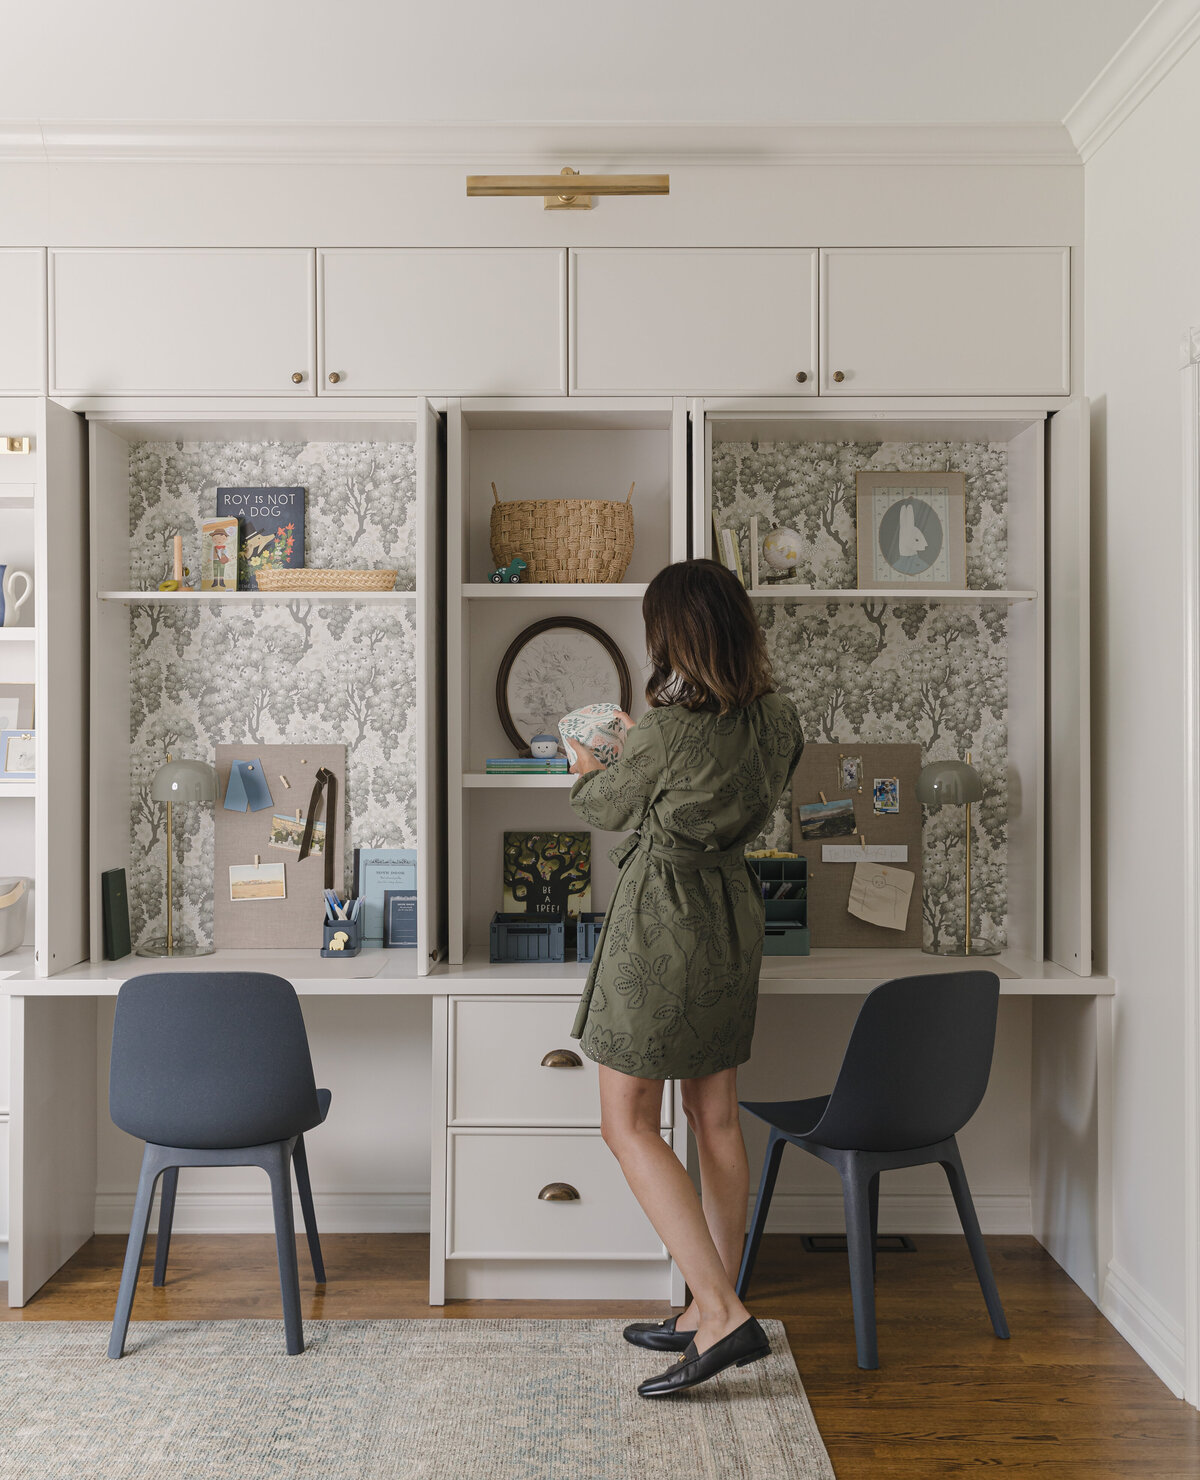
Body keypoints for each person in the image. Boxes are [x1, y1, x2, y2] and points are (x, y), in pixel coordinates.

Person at [568, 558, 805, 1399]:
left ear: (670, 634)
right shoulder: (781, 720)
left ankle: (720, 1310)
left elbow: (600, 808)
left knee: (627, 1121)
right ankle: (712, 1307)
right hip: (732, 915)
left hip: (663, 918)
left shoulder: (664, 731)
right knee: (714, 1118)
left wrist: (588, 754)